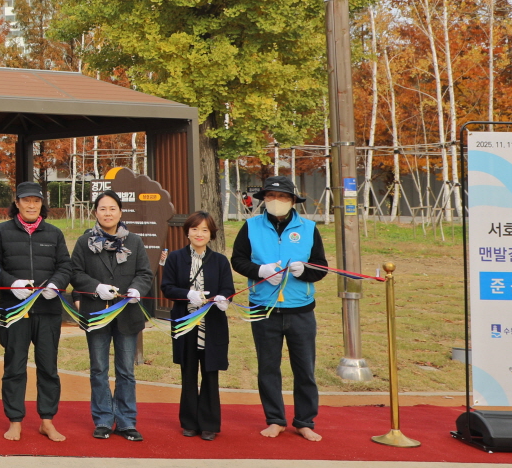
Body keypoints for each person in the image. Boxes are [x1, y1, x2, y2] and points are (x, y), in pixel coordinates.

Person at [230, 174, 329, 442]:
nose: (276, 201)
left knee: (305, 369)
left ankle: (305, 421)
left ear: (292, 201)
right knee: (268, 367)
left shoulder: (308, 228)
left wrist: (305, 270)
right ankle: (275, 419)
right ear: (264, 200)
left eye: (283, 197)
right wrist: (260, 270)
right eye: (271, 197)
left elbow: (322, 266)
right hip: (264, 308)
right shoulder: (250, 226)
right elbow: (237, 261)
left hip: (301, 309)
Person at [0, 180, 73, 442]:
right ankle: (15, 420)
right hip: (14, 310)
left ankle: (47, 420)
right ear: (16, 203)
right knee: (14, 366)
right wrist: (11, 283)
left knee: (48, 367)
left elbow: (65, 266)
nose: (31, 205)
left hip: (48, 310)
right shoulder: (0, 232)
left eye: (36, 201)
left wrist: (56, 284)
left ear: (42, 204)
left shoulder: (54, 234)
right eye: (26, 200)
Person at [71, 190, 154, 442]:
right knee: (98, 368)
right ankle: (104, 419)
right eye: (102, 208)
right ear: (95, 212)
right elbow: (74, 272)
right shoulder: (85, 242)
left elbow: (145, 273)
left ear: (120, 212)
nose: (107, 213)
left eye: (112, 208)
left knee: (126, 370)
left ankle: (127, 421)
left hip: (127, 316)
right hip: (96, 313)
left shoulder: (134, 241)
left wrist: (136, 289)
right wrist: (95, 287)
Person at [161, 211, 234, 441]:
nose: (199, 234)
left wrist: (224, 299)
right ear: (187, 232)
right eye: (194, 229)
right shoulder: (175, 258)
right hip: (186, 325)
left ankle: (210, 423)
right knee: (188, 373)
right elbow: (167, 287)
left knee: (210, 374)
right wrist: (187, 295)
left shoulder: (220, 260)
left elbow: (228, 289)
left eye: (204, 230)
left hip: (212, 326)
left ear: (211, 234)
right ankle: (189, 422)